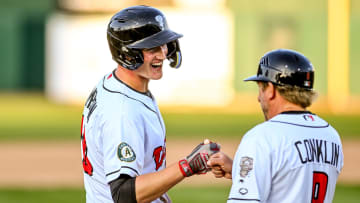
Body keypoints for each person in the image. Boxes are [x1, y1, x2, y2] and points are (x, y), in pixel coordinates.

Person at [80, 5, 220, 203]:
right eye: (153, 47)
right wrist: (187, 166)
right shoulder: (123, 111)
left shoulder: (116, 84)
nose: (163, 54)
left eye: (164, 44)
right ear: (128, 54)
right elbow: (123, 193)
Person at [207, 49, 344, 203]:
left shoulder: (261, 137)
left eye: (260, 89)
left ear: (271, 90)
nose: (259, 98)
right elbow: (296, 181)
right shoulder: (331, 135)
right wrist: (240, 172)